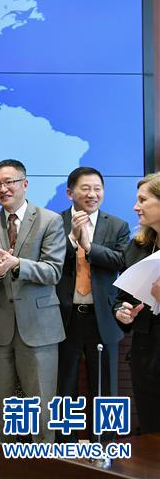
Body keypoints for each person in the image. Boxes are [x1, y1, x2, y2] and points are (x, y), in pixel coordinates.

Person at [0, 159, 65, 469]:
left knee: (42, 406)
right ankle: (5, 471)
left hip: (39, 325)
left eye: (9, 182)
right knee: (0, 406)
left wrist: (18, 265)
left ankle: (42, 471)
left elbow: (53, 271)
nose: (3, 189)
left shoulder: (49, 220)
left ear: (25, 184)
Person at [56, 167, 128, 441]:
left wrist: (89, 246)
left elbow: (121, 261)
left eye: (97, 188)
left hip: (104, 317)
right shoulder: (55, 222)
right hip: (65, 316)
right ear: (70, 192)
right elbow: (50, 262)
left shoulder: (117, 225)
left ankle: (106, 449)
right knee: (64, 387)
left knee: (106, 387)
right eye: (85, 188)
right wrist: (72, 240)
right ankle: (67, 450)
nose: (92, 194)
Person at [114, 172, 160, 435]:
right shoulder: (138, 246)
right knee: (150, 428)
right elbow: (122, 297)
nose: (135, 207)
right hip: (145, 354)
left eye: (143, 200)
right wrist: (122, 312)